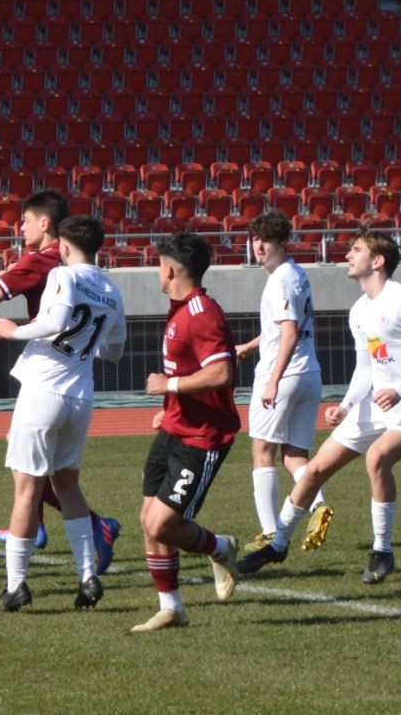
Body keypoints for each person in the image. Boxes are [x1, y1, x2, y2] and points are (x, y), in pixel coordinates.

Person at [238, 229, 401, 585]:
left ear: (377, 261)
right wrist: (348, 405)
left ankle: (382, 551)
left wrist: (399, 389)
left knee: (377, 457)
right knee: (315, 468)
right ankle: (279, 543)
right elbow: (367, 367)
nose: (348, 255)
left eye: (356, 249)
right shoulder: (359, 311)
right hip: (376, 405)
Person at [0, 190, 122, 571]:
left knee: (30, 464)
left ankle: (64, 531)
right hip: (78, 379)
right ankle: (63, 534)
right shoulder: (96, 276)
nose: (19, 227)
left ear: (46, 224)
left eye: (24, 220)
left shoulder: (46, 263)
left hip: (47, 373)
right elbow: (115, 345)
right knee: (53, 468)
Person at [0, 215, 128, 612]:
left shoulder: (63, 276)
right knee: (67, 485)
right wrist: (85, 343)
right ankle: (87, 577)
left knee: (27, 488)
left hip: (43, 391)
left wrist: (12, 331)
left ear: (64, 246)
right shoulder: (112, 290)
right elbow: (114, 352)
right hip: (81, 395)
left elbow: (53, 321)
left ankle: (16, 585)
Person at [131, 233, 241, 634]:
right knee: (148, 519)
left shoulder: (201, 312)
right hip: (175, 427)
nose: (156, 271)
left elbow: (221, 372)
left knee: (162, 525)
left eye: (158, 264)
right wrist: (168, 409)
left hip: (203, 436)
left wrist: (169, 388)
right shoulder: (180, 311)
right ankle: (171, 608)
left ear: (172, 269)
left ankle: (221, 547)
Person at [232, 212, 332, 557]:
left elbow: (288, 333)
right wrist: (250, 345)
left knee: (262, 452)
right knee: (294, 455)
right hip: (310, 375)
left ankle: (269, 530)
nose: (259, 247)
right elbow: (283, 329)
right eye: (255, 239)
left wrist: (273, 380)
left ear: (281, 243)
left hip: (284, 376)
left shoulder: (278, 281)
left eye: (266, 241)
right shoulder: (297, 273)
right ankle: (318, 505)